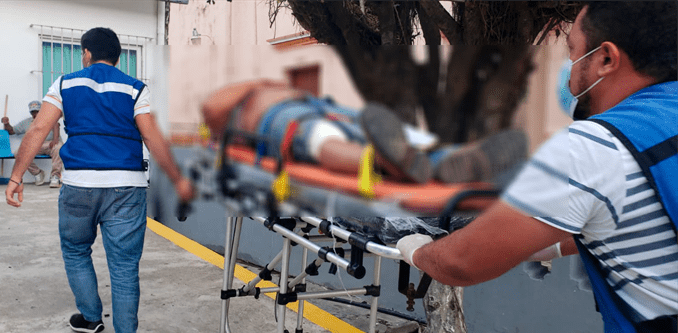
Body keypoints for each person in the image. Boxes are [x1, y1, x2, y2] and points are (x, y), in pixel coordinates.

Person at [396, 2, 677, 333]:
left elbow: (461, 262)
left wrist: (418, 251)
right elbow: (647, 219)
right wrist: (554, 246)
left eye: (573, 52)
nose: (570, 69)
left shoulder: (593, 147)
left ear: (606, 58)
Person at [4, 27, 194, 333]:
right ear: (119, 57)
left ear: (87, 53)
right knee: (124, 267)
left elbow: (38, 129)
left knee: (76, 250)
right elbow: (153, 138)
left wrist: (17, 176)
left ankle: (91, 318)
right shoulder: (135, 88)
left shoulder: (64, 83)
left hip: (79, 185)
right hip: (127, 186)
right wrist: (179, 180)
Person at [202, 80, 528, 185]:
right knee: (319, 137)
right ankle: (384, 162)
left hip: (324, 106)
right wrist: (258, 85)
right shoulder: (239, 104)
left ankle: (445, 161)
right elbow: (212, 109)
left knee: (383, 131)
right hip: (280, 118)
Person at [2, 100, 63, 187]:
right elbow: (12, 131)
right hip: (34, 145)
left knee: (59, 147)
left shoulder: (50, 117)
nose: (35, 114)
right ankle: (37, 173)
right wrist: (6, 123)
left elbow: (56, 125)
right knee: (18, 153)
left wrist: (55, 139)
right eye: (33, 112)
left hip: (49, 144)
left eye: (37, 111)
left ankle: (55, 176)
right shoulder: (26, 122)